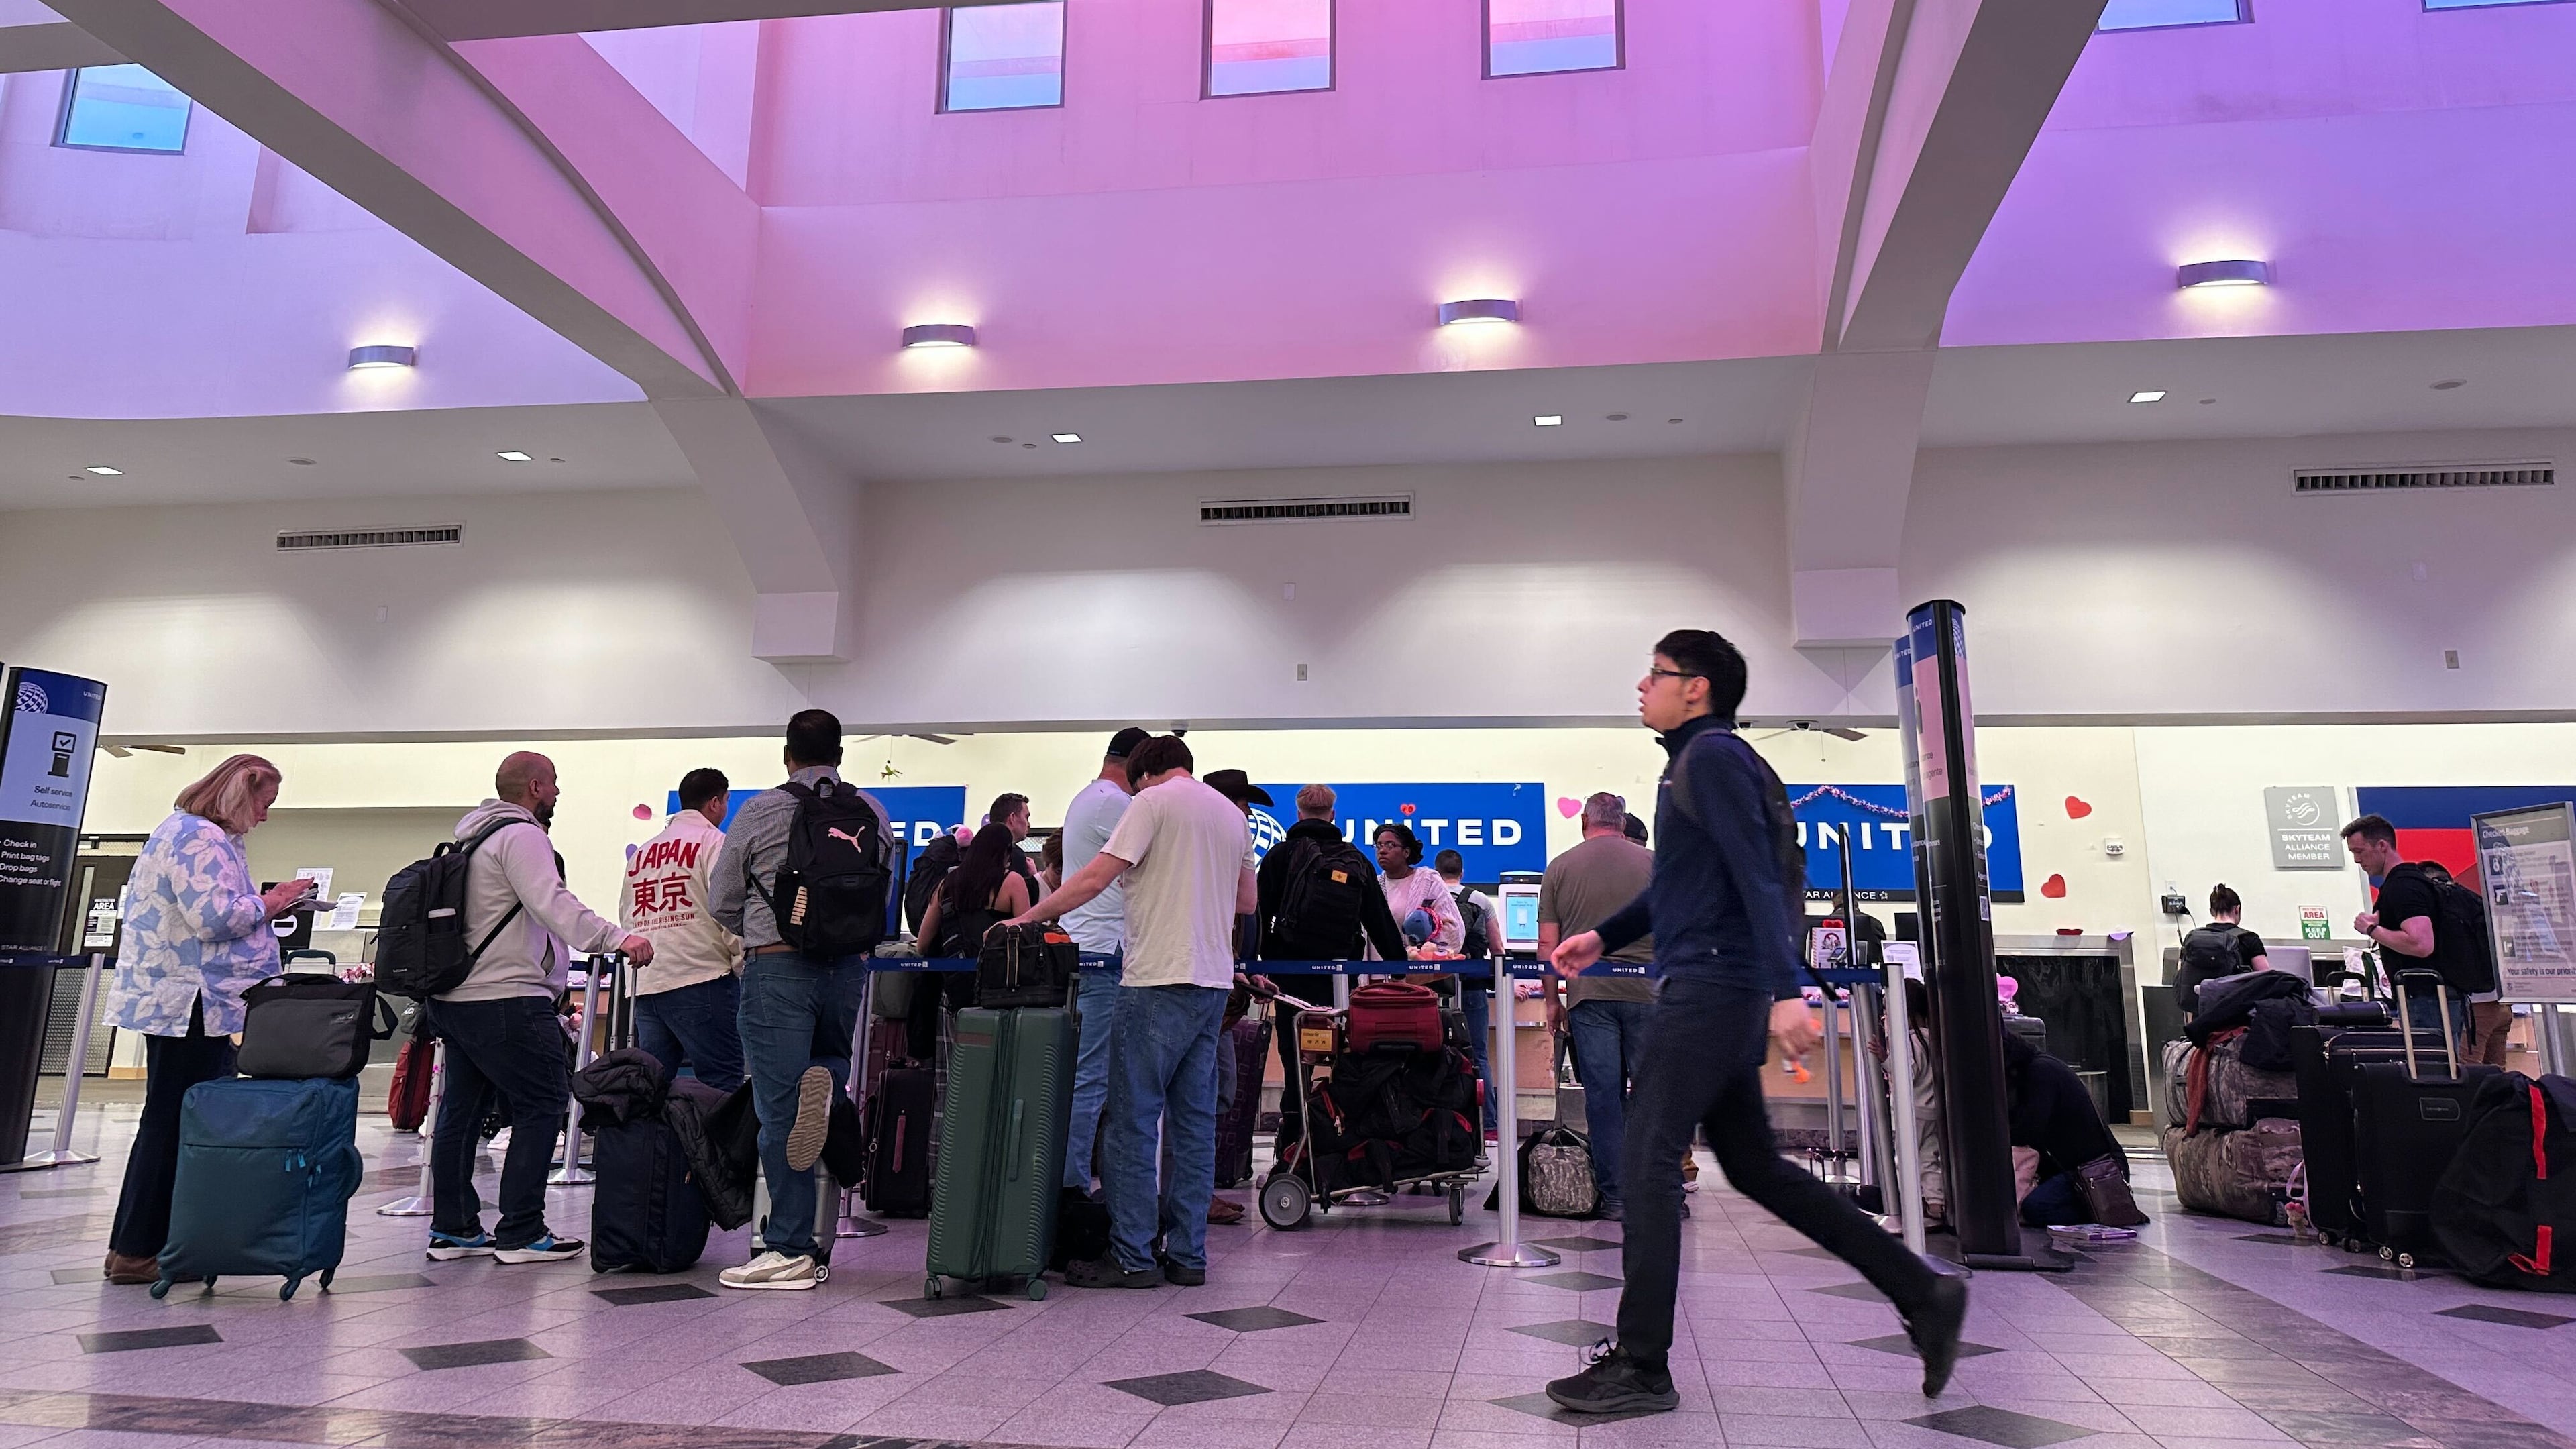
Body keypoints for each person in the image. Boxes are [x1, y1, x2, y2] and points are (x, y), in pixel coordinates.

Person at [1546, 629, 1964, 1415]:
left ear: (1695, 688)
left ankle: (1641, 1364)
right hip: (1718, 979)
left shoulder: (1712, 760)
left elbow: (1758, 874)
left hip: (1714, 985)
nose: (1643, 686)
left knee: (1645, 1159)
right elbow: (1689, 881)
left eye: (1657, 674)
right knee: (1756, 1167)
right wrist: (1605, 933)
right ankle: (1923, 1292)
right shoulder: (1702, 763)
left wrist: (1785, 986)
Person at [1006, 735, 1255, 1289]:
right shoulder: (1230, 815)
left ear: (1144, 774)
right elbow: (1247, 902)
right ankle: (1189, 1256)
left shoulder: (1149, 804)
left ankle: (1132, 1256)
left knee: (1132, 1124)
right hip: (1212, 984)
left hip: (1155, 980)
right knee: (1192, 1127)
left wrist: (1028, 920)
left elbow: (1094, 879)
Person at [429, 752, 655, 1265]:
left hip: (457, 996)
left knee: (461, 1111)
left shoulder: (472, 836)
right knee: (543, 1103)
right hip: (506, 996)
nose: (557, 793)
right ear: (534, 786)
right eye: (553, 784)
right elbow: (552, 902)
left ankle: (453, 1227)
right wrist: (615, 938)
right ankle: (522, 1231)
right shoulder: (523, 835)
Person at [101, 755, 317, 1285]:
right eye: (264, 804)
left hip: (189, 998)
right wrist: (275, 900)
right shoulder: (199, 837)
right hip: (190, 1001)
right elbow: (216, 918)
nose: (265, 816)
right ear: (241, 791)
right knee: (177, 1121)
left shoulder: (191, 834)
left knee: (173, 1118)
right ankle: (136, 1248)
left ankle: (143, 1244)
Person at [710, 710, 895, 1291]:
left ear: (785, 753)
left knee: (777, 1112)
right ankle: (828, 1076)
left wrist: (765, 929)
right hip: (847, 970)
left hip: (779, 968)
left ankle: (788, 1249)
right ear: (840, 754)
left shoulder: (763, 809)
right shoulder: (872, 811)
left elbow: (721, 899)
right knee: (827, 1064)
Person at [1253, 783, 1409, 1153]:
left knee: (1295, 1060)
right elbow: (1378, 919)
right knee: (1342, 1056)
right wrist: (1398, 967)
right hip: (1340, 980)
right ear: (1333, 815)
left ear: (1298, 814)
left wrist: (1256, 965)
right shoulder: (1354, 858)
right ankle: (1343, 1146)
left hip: (1289, 977)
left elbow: (1258, 915)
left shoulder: (1280, 856)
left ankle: (1292, 1143)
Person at [1538, 792, 1658, 1221]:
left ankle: (1618, 1197)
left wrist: (1552, 1001)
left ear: (1584, 820)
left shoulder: (1561, 867)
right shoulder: (1655, 864)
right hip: (1651, 995)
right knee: (1655, 1097)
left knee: (1604, 1098)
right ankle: (1663, 1195)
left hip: (1589, 997)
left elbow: (1548, 946)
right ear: (1623, 823)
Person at [1060, 727, 1150, 1192]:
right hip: (1103, 956)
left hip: (1093, 951)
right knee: (1092, 1080)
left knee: (1095, 1079)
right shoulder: (1115, 805)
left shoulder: (1089, 798)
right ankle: (1073, 1188)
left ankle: (1084, 1186)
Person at [621, 768, 744, 1091]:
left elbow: (627, 917)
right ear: (716, 803)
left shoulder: (643, 853)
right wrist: (743, 964)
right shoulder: (714, 843)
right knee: (720, 1084)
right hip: (702, 978)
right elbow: (727, 909)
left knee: (652, 1089)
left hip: (649, 982)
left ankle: (653, 1145)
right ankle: (711, 1146)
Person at [2342, 815, 2471, 1044]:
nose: (2357, 860)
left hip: (2426, 998)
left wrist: (2372, 929)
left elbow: (2421, 944)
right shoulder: (2406, 883)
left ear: (2382, 846)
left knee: (2430, 1070)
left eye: (2360, 851)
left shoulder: (2403, 886)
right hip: (2426, 997)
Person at [1434, 848, 1503, 1140]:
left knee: (1433, 1053)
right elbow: (1498, 949)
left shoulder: (1429, 899)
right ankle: (1488, 1125)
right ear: (1462, 873)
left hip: (1434, 987)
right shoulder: (1480, 900)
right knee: (1478, 1056)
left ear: (1436, 874)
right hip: (1473, 987)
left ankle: (1438, 1121)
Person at [2420, 861, 2511, 1065]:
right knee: (2497, 1075)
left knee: (2469, 1072)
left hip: (2473, 1006)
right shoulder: (2474, 901)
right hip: (2499, 1002)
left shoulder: (2443, 909)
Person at [916, 823, 1032, 960]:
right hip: (997, 975)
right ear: (1005, 851)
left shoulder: (946, 884)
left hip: (953, 976)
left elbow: (922, 945)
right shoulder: (1012, 882)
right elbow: (1027, 940)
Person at [2173, 884, 2267, 1017]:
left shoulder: (2193, 939)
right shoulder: (2249, 939)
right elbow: (2268, 979)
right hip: (2238, 1020)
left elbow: (2182, 974)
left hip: (2202, 1020)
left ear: (2212, 911)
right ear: (2237, 909)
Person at [1373, 823, 1463, 959]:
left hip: (1423, 972)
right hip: (1380, 972)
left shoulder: (1428, 881)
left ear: (1406, 852)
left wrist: (1426, 950)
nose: (1382, 851)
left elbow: (1452, 927)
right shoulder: (1373, 884)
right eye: (1379, 845)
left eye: (1390, 845)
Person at [989, 792, 1042, 897]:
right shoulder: (1014, 855)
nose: (1029, 824)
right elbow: (1025, 900)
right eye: (1026, 817)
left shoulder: (974, 851)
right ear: (1012, 818)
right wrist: (1035, 878)